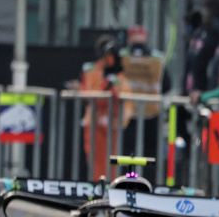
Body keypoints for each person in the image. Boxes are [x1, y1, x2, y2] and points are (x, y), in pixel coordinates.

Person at [72, 35, 126, 183]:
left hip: (112, 123)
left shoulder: (120, 72)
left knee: (113, 161)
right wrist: (107, 82)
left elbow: (124, 93)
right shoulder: (91, 70)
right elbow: (90, 94)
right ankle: (99, 190)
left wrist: (113, 78)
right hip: (94, 123)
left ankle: (112, 190)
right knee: (96, 162)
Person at [119, 24, 169, 182]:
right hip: (150, 110)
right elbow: (167, 84)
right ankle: (149, 184)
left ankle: (127, 180)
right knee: (150, 152)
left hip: (128, 111)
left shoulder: (121, 57)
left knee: (128, 151)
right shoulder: (157, 58)